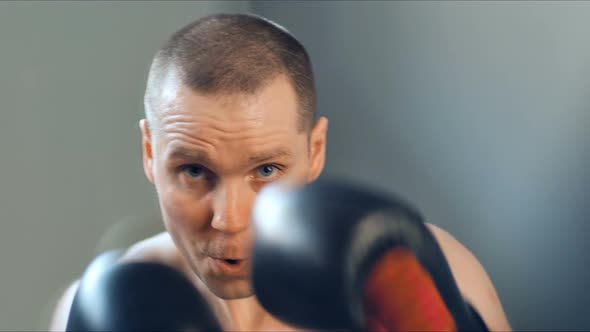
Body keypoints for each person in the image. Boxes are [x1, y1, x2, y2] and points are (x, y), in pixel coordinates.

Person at [50, 13, 512, 331]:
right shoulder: (96, 312)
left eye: (266, 169)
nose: (229, 219)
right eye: (194, 171)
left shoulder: (409, 272)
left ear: (314, 151)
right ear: (150, 153)